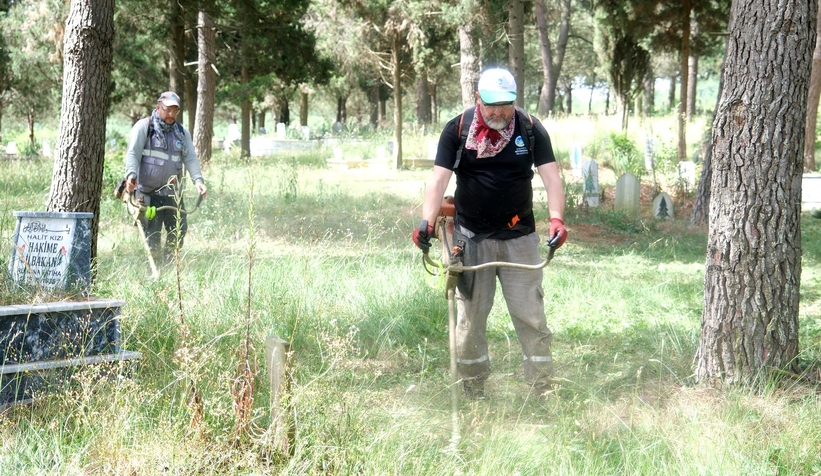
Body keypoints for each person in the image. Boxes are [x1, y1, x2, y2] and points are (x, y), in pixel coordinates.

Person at [412, 68, 567, 399]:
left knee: (531, 315)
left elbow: (552, 178)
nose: (498, 112)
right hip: (471, 239)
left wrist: (556, 219)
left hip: (519, 237)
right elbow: (438, 180)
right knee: (471, 318)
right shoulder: (457, 129)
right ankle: (473, 387)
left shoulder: (530, 127)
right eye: (492, 104)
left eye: (506, 105)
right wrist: (426, 221)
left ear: (515, 101)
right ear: (478, 98)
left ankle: (542, 389)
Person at [124, 91, 207, 265]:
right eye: (167, 110)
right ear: (158, 108)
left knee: (178, 230)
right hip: (148, 193)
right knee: (153, 234)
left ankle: (170, 265)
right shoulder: (144, 127)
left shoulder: (182, 133)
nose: (171, 115)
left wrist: (198, 181)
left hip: (172, 194)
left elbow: (190, 158)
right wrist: (131, 175)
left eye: (174, 111)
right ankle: (154, 268)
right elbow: (132, 154)